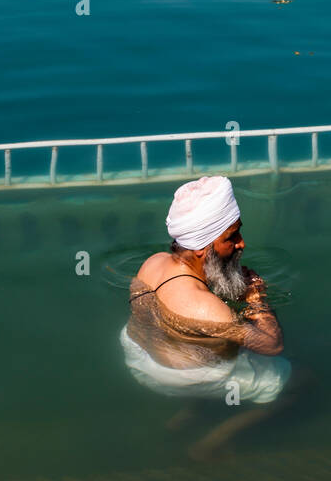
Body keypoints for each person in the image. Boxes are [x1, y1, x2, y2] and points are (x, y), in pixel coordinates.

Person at [121, 176, 290, 452]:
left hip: (138, 360)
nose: (241, 244)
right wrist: (257, 299)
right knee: (296, 381)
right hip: (179, 378)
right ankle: (217, 439)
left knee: (210, 348)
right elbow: (272, 345)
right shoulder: (207, 309)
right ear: (202, 247)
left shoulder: (153, 263)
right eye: (231, 237)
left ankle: (189, 414)